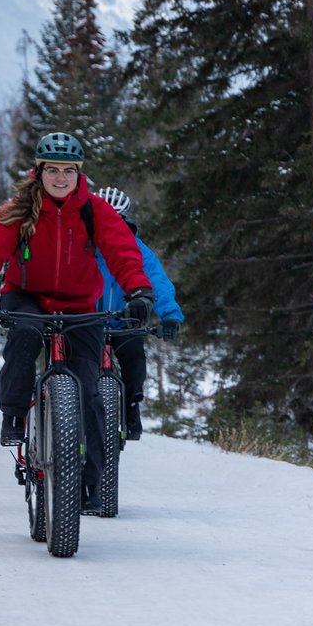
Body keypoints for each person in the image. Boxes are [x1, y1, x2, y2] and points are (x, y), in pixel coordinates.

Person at [0, 132, 154, 513]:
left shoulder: (95, 211)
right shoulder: (19, 208)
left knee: (90, 392)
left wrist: (139, 291)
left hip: (80, 303)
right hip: (26, 297)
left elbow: (123, 253)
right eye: (53, 170)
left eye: (68, 170)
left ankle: (89, 484)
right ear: (40, 172)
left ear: (79, 174)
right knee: (26, 333)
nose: (61, 178)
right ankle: (14, 412)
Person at [94, 186, 184, 440]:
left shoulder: (137, 249)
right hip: (85, 322)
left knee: (134, 360)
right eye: (104, 219)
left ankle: (131, 408)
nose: (110, 226)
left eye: (117, 220)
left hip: (124, 322)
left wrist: (170, 316)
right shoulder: (81, 244)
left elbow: (158, 282)